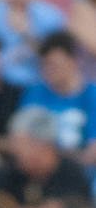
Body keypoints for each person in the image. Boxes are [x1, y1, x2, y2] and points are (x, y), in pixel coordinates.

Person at [0, 104, 92, 208]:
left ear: (41, 145)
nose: (14, 151)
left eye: (20, 145)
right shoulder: (11, 171)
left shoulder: (71, 172)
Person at [21, 30, 96, 160]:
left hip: (82, 173)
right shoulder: (35, 93)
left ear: (73, 60)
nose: (48, 71)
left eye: (54, 65)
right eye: (44, 65)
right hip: (40, 169)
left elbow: (93, 149)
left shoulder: (91, 95)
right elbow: (21, 138)